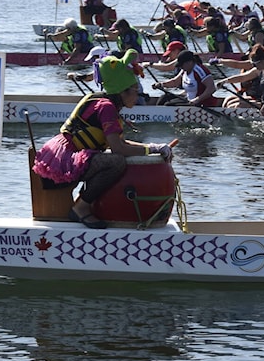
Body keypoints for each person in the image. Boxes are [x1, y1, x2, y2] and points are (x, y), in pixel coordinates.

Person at [32, 49, 174, 229]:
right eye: (135, 91)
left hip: (64, 151)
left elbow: (119, 143)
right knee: (116, 162)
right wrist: (150, 149)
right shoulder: (106, 108)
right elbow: (119, 150)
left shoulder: (104, 102)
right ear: (123, 92)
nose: (138, 96)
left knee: (111, 158)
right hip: (64, 158)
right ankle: (81, 208)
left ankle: (86, 203)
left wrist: (154, 147)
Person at [216, 45, 264, 113]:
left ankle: (235, 122)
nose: (254, 66)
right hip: (263, 103)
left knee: (238, 106)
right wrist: (224, 81)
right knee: (229, 100)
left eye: (255, 64)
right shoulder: (259, 70)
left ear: (263, 60)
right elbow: (242, 77)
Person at [152, 50, 219, 107]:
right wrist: (161, 84)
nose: (180, 67)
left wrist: (197, 100)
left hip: (202, 103)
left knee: (168, 104)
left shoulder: (200, 71)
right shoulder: (185, 70)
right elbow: (175, 82)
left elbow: (211, 88)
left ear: (189, 62)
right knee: (164, 97)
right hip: (189, 99)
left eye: (181, 65)